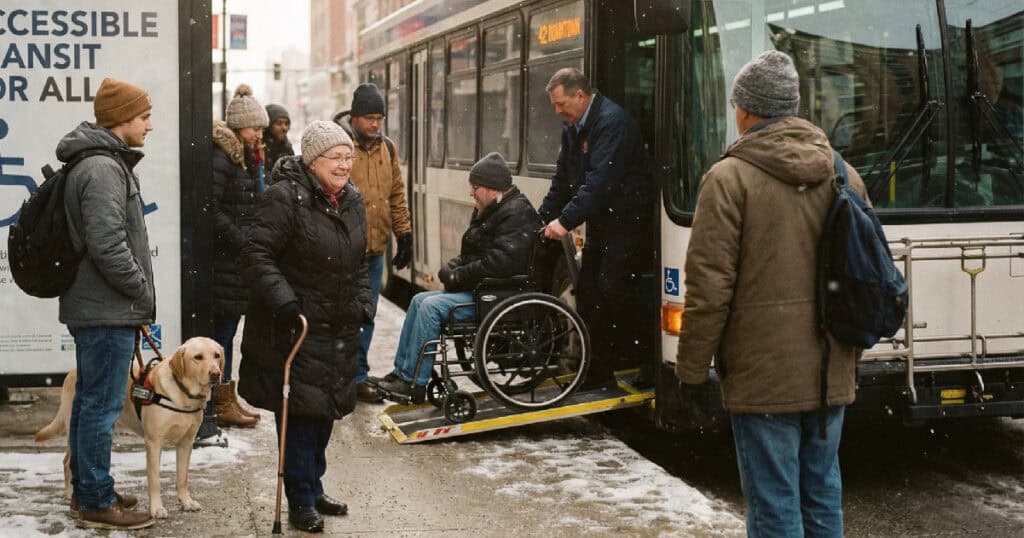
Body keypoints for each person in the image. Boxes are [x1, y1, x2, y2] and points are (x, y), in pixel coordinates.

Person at [675, 50, 864, 538]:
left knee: (773, 501)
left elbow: (709, 287)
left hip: (762, 377)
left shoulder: (728, 179)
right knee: (822, 492)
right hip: (830, 366)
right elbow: (865, 270)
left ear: (747, 109)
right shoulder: (842, 171)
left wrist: (692, 374)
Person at [238, 120, 372, 533]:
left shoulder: (351, 200)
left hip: (338, 327)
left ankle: (313, 485)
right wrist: (286, 302)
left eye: (349, 157)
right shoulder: (285, 198)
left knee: (326, 411)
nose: (345, 165)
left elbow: (359, 261)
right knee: (299, 415)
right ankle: (299, 498)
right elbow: (257, 253)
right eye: (336, 157)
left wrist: (364, 301)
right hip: (296, 327)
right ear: (313, 161)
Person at [57, 77, 156, 530]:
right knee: (101, 406)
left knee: (90, 403)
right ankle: (96, 499)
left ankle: (88, 489)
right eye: (144, 117)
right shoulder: (101, 169)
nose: (149, 126)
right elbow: (108, 245)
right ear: (121, 120)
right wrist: (139, 291)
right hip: (106, 309)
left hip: (99, 307)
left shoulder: (102, 162)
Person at [372, 152, 540, 402]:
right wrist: (452, 268)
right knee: (419, 300)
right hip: (485, 291)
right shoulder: (493, 208)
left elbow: (500, 264)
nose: (471, 193)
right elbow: (473, 253)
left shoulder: (516, 214)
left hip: (499, 298)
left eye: (475, 188)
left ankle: (414, 382)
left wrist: (457, 275)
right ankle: (401, 373)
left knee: (430, 307)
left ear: (492, 188)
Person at [539, 67, 655, 390]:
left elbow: (599, 183)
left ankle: (646, 360)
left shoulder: (612, 122)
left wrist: (563, 222)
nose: (557, 111)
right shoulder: (573, 128)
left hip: (628, 220)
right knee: (588, 292)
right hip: (603, 220)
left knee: (615, 288)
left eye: (561, 104)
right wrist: (541, 217)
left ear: (580, 95)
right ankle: (599, 371)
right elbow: (562, 182)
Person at [334, 82, 413, 404]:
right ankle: (337, 378)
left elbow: (396, 194)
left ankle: (359, 378)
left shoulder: (387, 149)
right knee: (340, 317)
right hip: (342, 251)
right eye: (369, 117)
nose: (375, 124)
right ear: (354, 117)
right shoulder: (339, 147)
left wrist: (404, 234)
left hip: (375, 250)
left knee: (367, 316)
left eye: (379, 117)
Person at [207, 84, 270, 428]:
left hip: (235, 262)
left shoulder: (244, 158)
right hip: (226, 262)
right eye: (254, 129)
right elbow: (213, 210)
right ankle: (220, 402)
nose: (259, 135)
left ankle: (227, 398)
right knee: (223, 335)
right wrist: (241, 240)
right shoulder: (223, 158)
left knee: (228, 334)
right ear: (237, 128)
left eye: (261, 129)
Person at [263, 103, 294, 173]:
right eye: (279, 123)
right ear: (268, 125)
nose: (284, 128)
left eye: (286, 123)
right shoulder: (259, 148)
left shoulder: (287, 148)